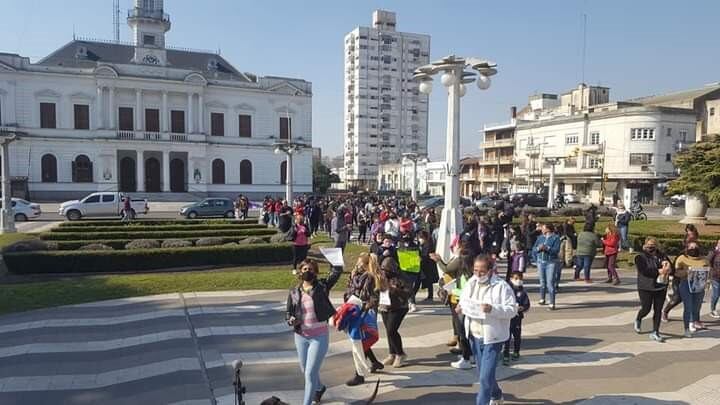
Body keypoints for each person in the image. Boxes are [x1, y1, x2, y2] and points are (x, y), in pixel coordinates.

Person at [458, 255, 518, 405]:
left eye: (482, 271)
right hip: (474, 335)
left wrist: (492, 309)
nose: (478, 274)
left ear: (491, 271)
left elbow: (512, 310)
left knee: (484, 377)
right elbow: (464, 300)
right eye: (475, 270)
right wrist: (461, 307)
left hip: (493, 337)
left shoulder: (502, 286)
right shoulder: (471, 282)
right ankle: (497, 395)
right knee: (484, 373)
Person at [285, 259, 342, 405]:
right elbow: (288, 312)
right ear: (300, 271)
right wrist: (290, 319)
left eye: (310, 269)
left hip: (319, 337)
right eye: (304, 269)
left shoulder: (322, 287)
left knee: (310, 374)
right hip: (301, 336)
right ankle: (320, 388)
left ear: (315, 272)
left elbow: (336, 273)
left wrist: (335, 259)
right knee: (305, 370)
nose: (307, 272)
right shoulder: (294, 292)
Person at [431, 242, 475, 369]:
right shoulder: (463, 272)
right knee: (462, 331)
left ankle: (467, 358)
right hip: (459, 303)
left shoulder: (468, 275)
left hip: (464, 305)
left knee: (464, 332)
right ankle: (468, 355)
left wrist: (452, 291)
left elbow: (466, 291)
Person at [634, 237, 672, 342]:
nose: (651, 247)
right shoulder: (640, 257)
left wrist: (668, 267)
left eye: (653, 245)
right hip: (645, 287)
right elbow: (644, 271)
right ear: (645, 245)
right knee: (646, 309)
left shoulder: (662, 256)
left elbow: (671, 268)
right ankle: (639, 318)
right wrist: (659, 271)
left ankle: (655, 331)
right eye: (649, 245)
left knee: (658, 310)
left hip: (660, 286)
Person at [378, 256, 411, 368]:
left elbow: (408, 293)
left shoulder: (402, 277)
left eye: (386, 270)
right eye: (383, 270)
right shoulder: (381, 276)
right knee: (388, 331)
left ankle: (400, 354)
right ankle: (392, 353)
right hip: (385, 306)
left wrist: (394, 289)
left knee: (392, 330)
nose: (384, 272)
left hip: (399, 307)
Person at [674, 242, 710, 337]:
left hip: (699, 285)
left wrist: (707, 280)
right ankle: (687, 326)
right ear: (687, 248)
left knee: (697, 306)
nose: (693, 249)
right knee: (688, 306)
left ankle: (695, 320)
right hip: (686, 284)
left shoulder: (704, 260)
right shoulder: (682, 258)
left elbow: (708, 272)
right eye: (691, 247)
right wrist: (687, 272)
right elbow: (676, 273)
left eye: (695, 247)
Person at [503, 271, 530, 365]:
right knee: (506, 337)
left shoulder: (522, 291)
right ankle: (505, 354)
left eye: (520, 279)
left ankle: (516, 351)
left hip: (517, 318)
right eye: (516, 278)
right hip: (508, 318)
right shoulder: (506, 289)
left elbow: (527, 304)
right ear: (511, 279)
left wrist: (523, 308)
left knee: (517, 336)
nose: (518, 281)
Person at [533, 223, 561, 310]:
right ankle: (542, 298)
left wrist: (547, 248)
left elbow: (556, 250)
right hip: (540, 261)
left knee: (550, 282)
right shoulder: (540, 237)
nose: (541, 229)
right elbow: (534, 248)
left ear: (548, 229)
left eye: (543, 228)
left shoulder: (555, 238)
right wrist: (538, 249)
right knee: (542, 281)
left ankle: (552, 302)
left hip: (551, 262)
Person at [417, 230, 439, 302]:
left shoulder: (428, 245)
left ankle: (430, 296)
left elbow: (426, 255)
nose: (420, 239)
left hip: (428, 265)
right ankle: (430, 296)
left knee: (428, 281)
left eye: (421, 238)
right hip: (426, 265)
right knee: (427, 281)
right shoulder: (422, 245)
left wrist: (421, 258)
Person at [708, 239, 720, 319]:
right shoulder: (713, 252)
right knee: (716, 294)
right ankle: (712, 310)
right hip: (715, 277)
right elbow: (707, 261)